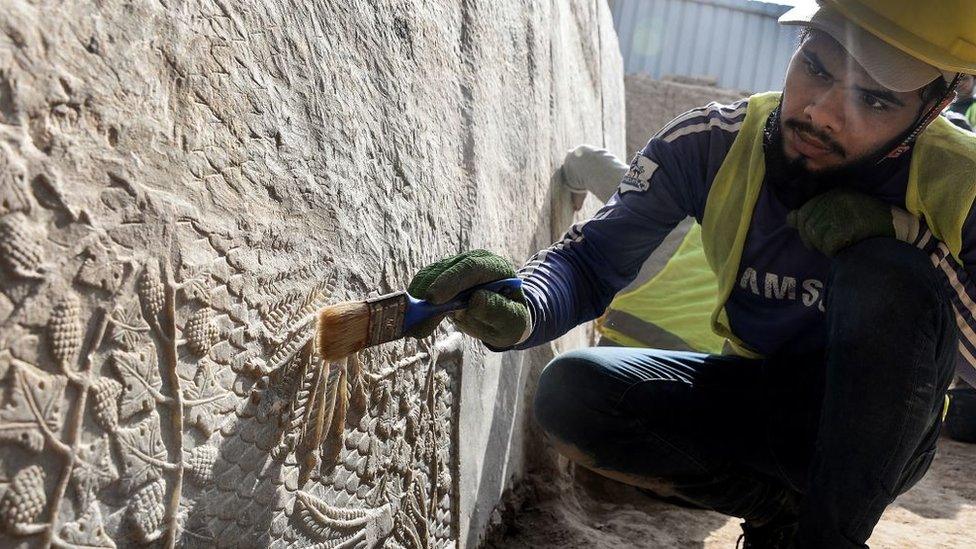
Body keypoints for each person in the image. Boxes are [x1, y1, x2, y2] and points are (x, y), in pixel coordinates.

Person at [406, 1, 976, 547]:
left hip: (888, 435)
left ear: (933, 107)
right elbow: (590, 261)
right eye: (816, 66)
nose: (822, 112)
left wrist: (911, 241)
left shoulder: (961, 182)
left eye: (875, 101)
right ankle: (781, 513)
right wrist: (524, 303)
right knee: (573, 393)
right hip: (759, 397)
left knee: (887, 268)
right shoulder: (711, 143)